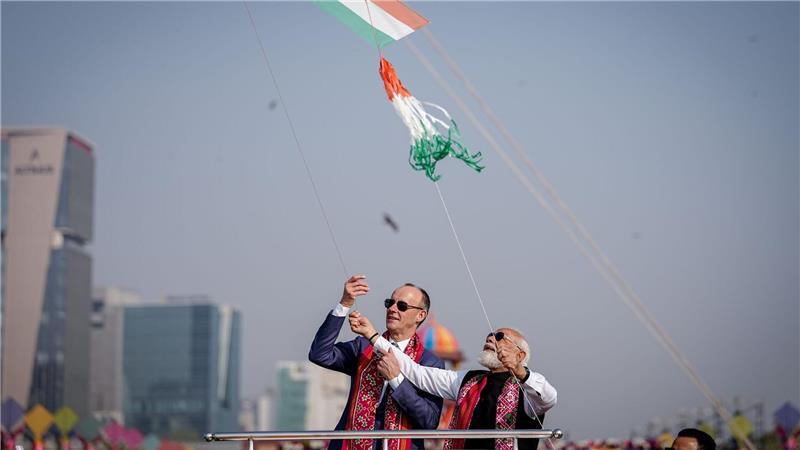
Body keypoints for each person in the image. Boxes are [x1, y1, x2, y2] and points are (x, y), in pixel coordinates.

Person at [350, 312, 557, 450]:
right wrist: (373, 336)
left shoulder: (530, 388)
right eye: (489, 336)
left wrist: (519, 371)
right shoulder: (468, 380)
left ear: (520, 355)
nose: (491, 339)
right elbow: (417, 372)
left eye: (500, 337)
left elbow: (549, 398)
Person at [308, 274, 444, 450]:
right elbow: (319, 354)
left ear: (420, 315)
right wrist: (345, 304)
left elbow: (429, 421)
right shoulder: (363, 347)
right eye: (390, 303)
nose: (393, 309)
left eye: (402, 306)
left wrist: (396, 379)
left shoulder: (430, 363)